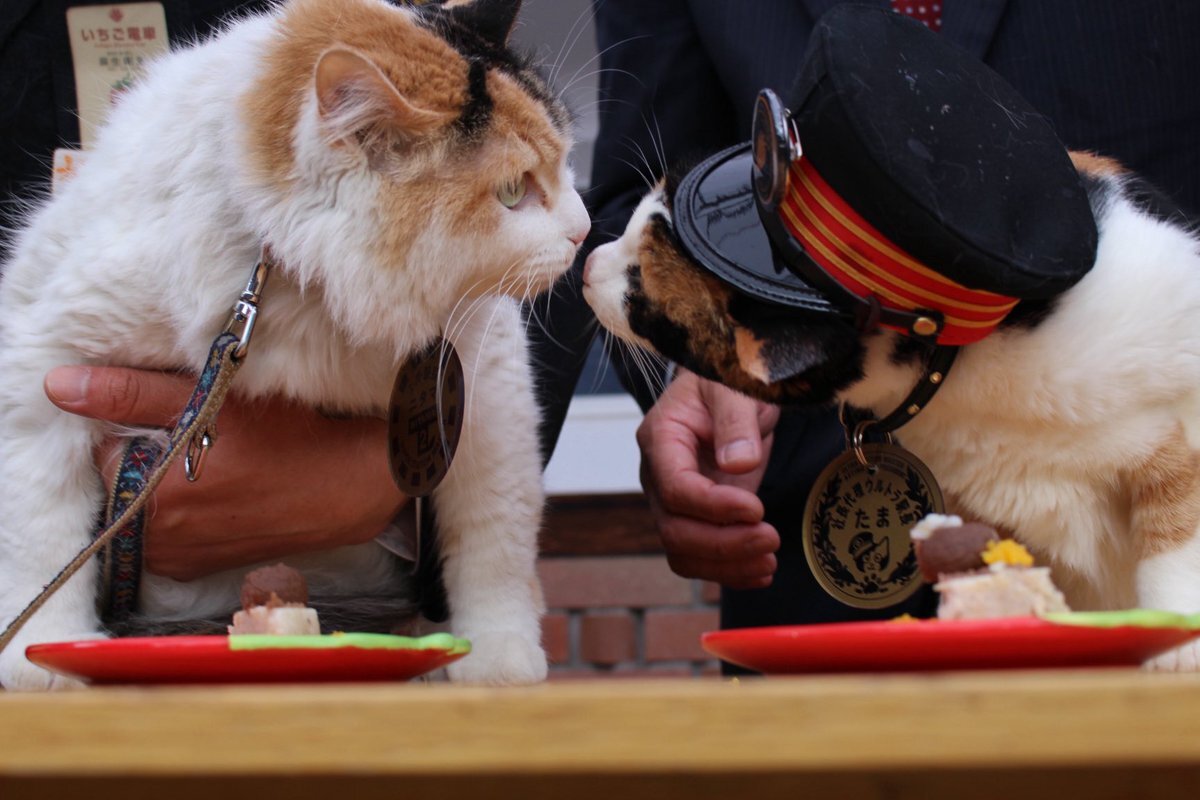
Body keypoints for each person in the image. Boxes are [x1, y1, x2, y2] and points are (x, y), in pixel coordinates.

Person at [5, 0, 1200, 644]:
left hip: (1161, 492)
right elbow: (630, 195)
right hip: (815, 585)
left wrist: (386, 482)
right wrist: (694, 358)